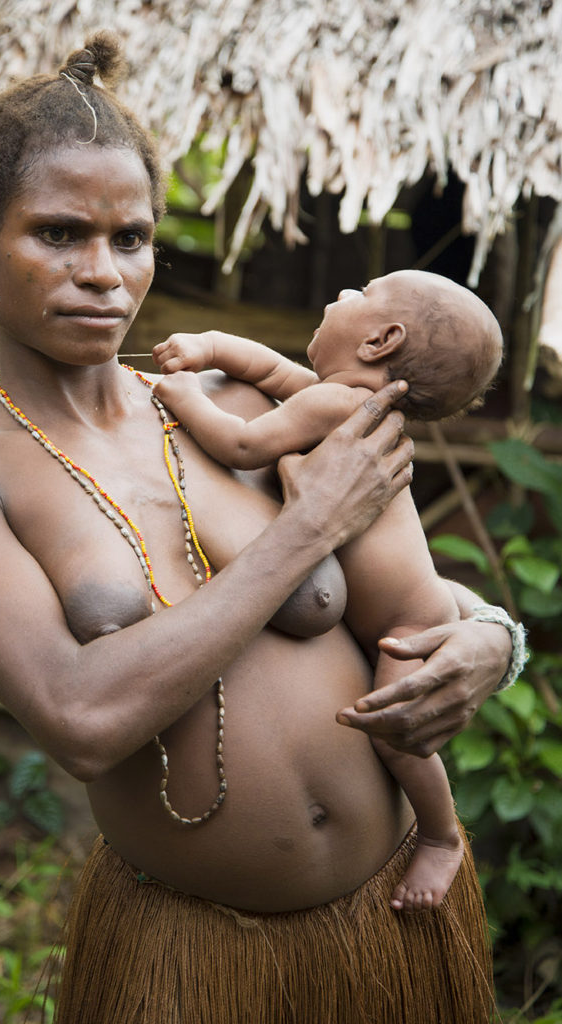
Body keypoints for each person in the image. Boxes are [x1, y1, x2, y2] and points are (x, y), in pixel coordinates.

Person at [0, 33, 524, 1024]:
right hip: (187, 959)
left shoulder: (232, 400)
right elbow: (81, 720)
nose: (102, 272)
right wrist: (301, 531)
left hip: (393, 916)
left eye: (128, 238)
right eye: (57, 234)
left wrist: (491, 637)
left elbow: (405, 579)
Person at [151, 271, 503, 911]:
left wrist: (184, 395)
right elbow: (267, 367)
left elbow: (244, 441)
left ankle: (441, 835)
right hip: (415, 605)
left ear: (380, 340)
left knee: (397, 733)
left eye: (362, 294)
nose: (341, 295)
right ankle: (439, 833)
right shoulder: (340, 401)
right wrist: (208, 347)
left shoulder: (335, 408)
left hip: (408, 622)